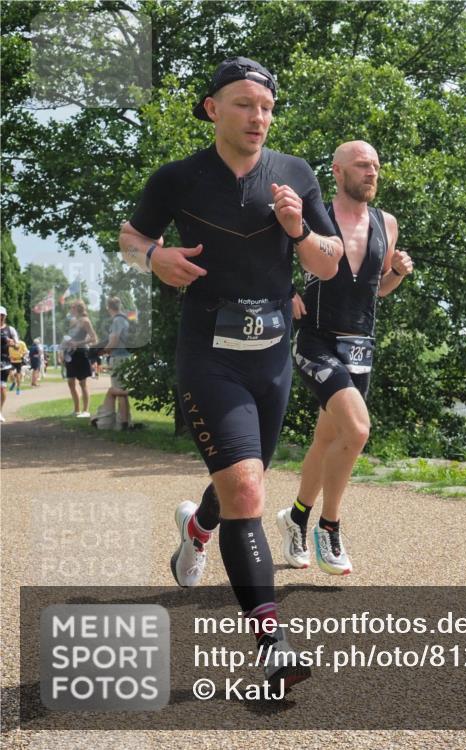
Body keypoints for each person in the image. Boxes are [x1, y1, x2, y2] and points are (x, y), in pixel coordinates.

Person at [118, 56, 342, 692]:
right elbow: (130, 237)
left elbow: (327, 265)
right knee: (247, 490)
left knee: (245, 479)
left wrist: (299, 229)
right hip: (209, 351)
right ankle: (273, 645)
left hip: (271, 352)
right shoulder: (180, 177)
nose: (259, 117)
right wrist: (154, 257)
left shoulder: (295, 175)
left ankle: (198, 528)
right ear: (213, 108)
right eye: (245, 104)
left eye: (267, 107)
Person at [277, 141, 412, 575]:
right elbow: (277, 262)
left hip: (361, 346)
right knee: (356, 429)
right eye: (361, 165)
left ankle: (296, 517)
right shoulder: (317, 217)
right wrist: (286, 291)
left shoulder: (386, 223)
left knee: (328, 439)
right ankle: (328, 528)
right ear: (337, 172)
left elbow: (376, 290)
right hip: (316, 339)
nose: (371, 172)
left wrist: (396, 274)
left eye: (376, 165)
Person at [91, 297, 135, 430]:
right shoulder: (125, 319)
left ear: (108, 307)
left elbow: (114, 341)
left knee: (119, 390)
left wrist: (103, 351)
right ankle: (126, 421)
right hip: (125, 356)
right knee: (121, 389)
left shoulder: (117, 320)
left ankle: (122, 424)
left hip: (119, 357)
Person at [62, 300, 97, 417]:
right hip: (70, 354)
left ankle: (86, 411)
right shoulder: (72, 321)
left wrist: (78, 343)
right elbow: (69, 337)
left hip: (82, 353)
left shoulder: (85, 321)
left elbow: (94, 338)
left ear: (77, 309)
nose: (70, 309)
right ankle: (76, 410)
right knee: (70, 382)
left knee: (83, 383)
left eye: (72, 307)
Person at [0, 306, 20, 423]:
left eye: (2, 315)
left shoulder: (10, 330)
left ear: (5, 316)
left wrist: (12, 343)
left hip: (4, 363)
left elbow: (18, 346)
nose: (0, 317)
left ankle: (0, 411)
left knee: (2, 388)